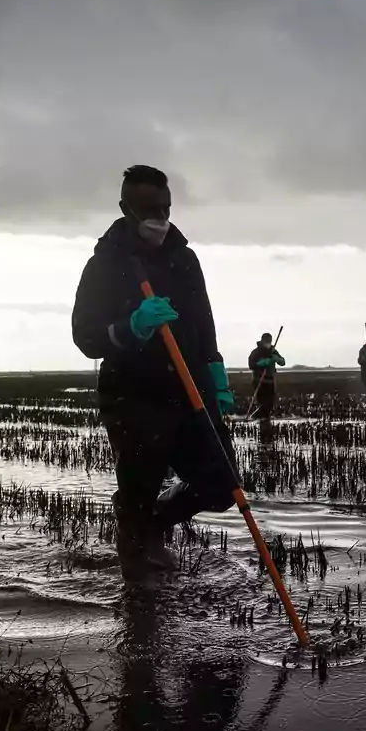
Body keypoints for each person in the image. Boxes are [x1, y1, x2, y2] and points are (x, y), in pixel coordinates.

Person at [71, 165, 238, 584]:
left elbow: (204, 324)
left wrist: (217, 378)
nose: (160, 217)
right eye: (149, 209)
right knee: (138, 492)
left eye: (165, 207)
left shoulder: (185, 258)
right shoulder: (105, 264)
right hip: (133, 398)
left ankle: (155, 521)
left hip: (189, 390)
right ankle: (138, 584)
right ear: (126, 208)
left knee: (223, 483)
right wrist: (133, 327)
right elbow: (86, 336)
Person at [248, 333, 285, 419]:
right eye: (266, 341)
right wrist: (262, 363)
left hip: (270, 382)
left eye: (269, 341)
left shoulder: (273, 351)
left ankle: (264, 420)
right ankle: (255, 418)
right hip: (259, 381)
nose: (268, 343)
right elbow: (251, 365)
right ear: (262, 341)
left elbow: (283, 362)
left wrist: (278, 359)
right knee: (263, 404)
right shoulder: (256, 352)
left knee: (269, 405)